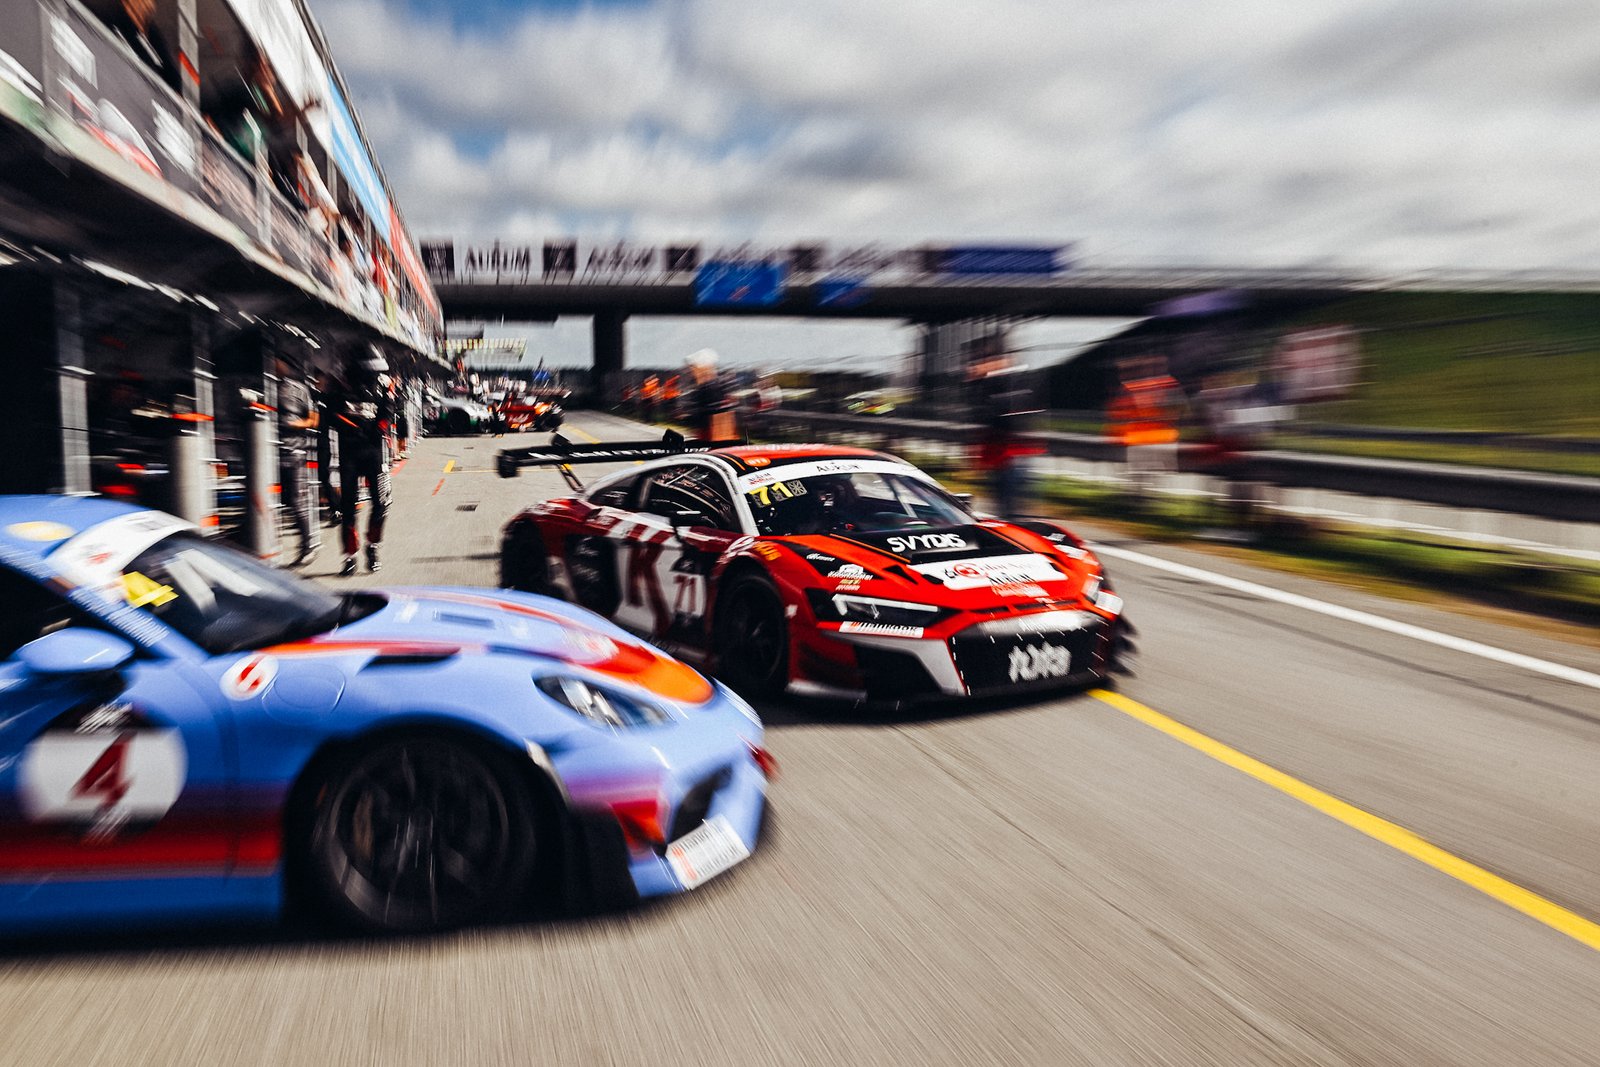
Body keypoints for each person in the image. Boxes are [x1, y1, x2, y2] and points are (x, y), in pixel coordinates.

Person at [328, 345, 393, 575]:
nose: (374, 374)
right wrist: (354, 428)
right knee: (348, 507)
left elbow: (389, 411)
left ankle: (372, 547)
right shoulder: (340, 386)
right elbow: (332, 415)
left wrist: (379, 428)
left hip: (373, 453)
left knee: (381, 503)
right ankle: (350, 557)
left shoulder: (382, 386)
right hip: (350, 455)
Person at [969, 350, 1040, 517]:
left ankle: (1011, 515)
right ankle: (1011, 516)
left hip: (1006, 451)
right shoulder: (1014, 383)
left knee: (1007, 493)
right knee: (1008, 494)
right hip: (1006, 451)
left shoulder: (994, 386)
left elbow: (987, 419)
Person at [275, 354, 319, 567]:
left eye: (276, 360)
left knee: (297, 501)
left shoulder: (298, 389)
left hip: (293, 452)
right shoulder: (263, 385)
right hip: (268, 452)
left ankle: (308, 546)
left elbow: (314, 419)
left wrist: (294, 424)